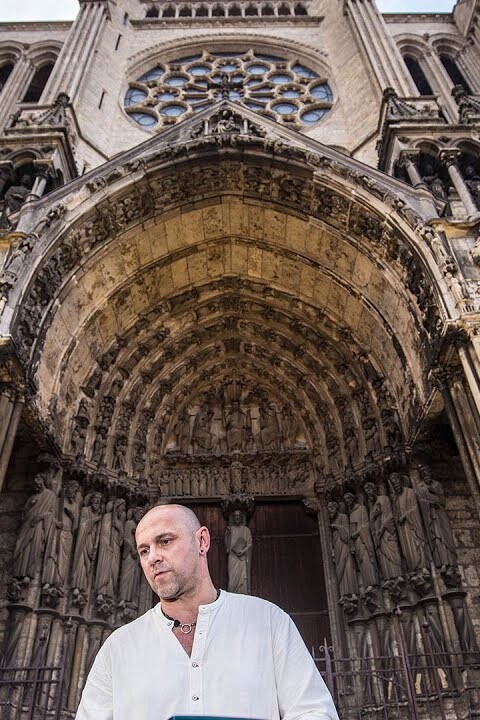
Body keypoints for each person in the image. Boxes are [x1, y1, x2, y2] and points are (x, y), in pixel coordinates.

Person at [75, 504, 339, 720]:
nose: (152, 557)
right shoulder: (119, 648)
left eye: (165, 541)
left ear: (202, 541)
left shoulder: (268, 623)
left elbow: (314, 713)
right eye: (144, 550)